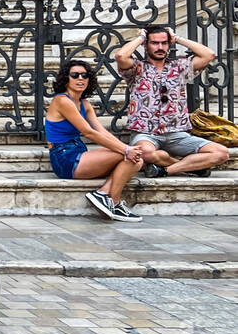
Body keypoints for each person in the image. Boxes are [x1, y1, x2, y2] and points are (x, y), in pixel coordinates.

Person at [115, 25, 228, 178]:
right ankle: (189, 167)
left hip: (177, 134)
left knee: (221, 153)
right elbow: (121, 56)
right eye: (154, 43)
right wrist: (141, 37)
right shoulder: (136, 68)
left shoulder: (179, 67)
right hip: (146, 134)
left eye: (164, 43)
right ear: (146, 45)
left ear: (169, 44)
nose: (160, 47)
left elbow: (209, 54)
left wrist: (178, 39)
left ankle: (165, 169)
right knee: (146, 153)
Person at [44, 57, 144, 222]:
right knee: (126, 156)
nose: (80, 79)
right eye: (75, 75)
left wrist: (128, 148)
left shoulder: (85, 103)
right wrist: (125, 150)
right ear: (66, 79)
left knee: (136, 161)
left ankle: (103, 194)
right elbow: (89, 133)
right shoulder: (62, 101)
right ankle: (114, 201)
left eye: (84, 75)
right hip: (65, 158)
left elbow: (102, 132)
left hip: (79, 153)